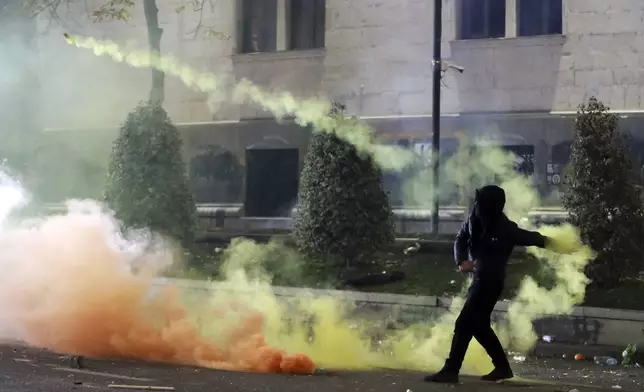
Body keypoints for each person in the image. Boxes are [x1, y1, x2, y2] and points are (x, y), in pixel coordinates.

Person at [426, 185, 550, 384]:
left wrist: (561, 244)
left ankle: (452, 369)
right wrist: (461, 260)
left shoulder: (506, 228)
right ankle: (501, 367)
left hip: (491, 283)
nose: (477, 207)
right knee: (479, 326)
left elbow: (533, 238)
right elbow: (461, 238)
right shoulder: (473, 219)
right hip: (479, 280)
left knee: (465, 323)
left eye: (482, 203)